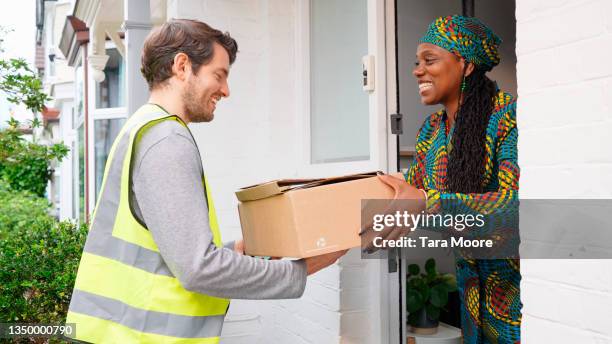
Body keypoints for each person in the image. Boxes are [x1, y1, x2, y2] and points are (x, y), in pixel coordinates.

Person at [65, 19, 345, 343]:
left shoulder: (144, 127)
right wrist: (302, 269)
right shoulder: (166, 140)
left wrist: (236, 251)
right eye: (219, 75)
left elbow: (169, 253)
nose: (225, 90)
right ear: (182, 66)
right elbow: (198, 268)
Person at [375, 15, 521, 343]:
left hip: (516, 294)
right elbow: (416, 186)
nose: (417, 70)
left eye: (430, 60)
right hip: (469, 289)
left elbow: (516, 208)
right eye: (417, 62)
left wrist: (427, 200)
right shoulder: (431, 129)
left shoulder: (507, 117)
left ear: (466, 65)